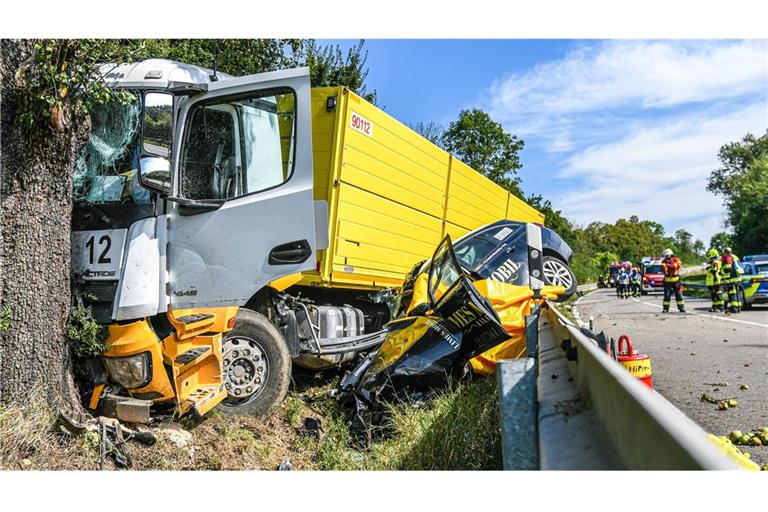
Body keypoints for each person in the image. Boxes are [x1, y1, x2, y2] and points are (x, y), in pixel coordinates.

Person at [660, 248, 685, 313]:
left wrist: (670, 266)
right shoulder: (663, 261)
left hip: (676, 280)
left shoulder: (676, 260)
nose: (667, 256)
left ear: (671, 254)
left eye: (668, 255)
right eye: (666, 255)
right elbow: (664, 268)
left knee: (678, 294)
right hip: (667, 281)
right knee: (667, 295)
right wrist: (671, 266)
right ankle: (665, 308)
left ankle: (681, 308)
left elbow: (678, 265)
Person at [720, 247, 744, 314]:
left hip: (732, 278)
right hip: (738, 277)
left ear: (725, 252)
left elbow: (727, 268)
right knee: (737, 293)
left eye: (724, 253)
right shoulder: (735, 256)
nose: (723, 254)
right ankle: (738, 308)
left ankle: (733, 308)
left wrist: (721, 272)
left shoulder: (728, 257)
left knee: (732, 293)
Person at [705, 248, 724, 312]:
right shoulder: (714, 261)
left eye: (709, 255)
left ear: (713, 254)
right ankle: (714, 307)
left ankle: (721, 307)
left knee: (718, 294)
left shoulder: (716, 262)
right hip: (713, 281)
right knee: (714, 295)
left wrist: (708, 269)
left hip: (716, 280)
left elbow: (714, 270)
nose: (709, 257)